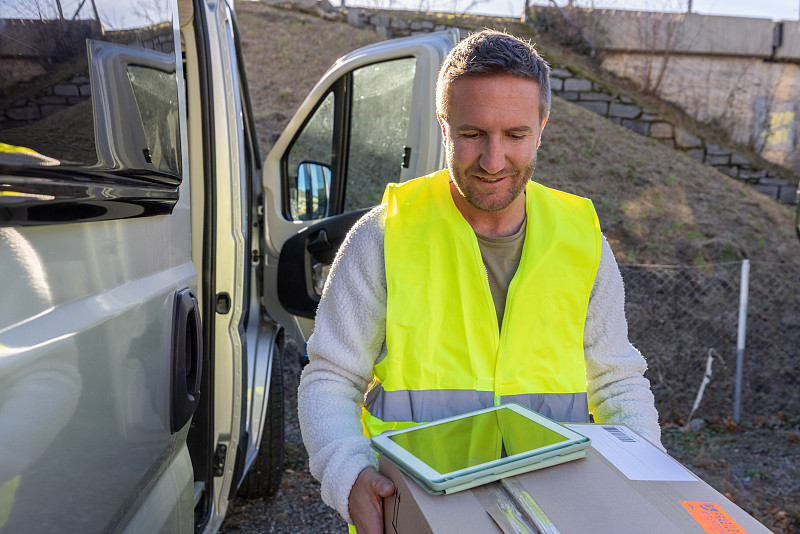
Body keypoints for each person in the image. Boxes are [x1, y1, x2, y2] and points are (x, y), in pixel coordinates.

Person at [298, 29, 662, 533]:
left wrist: (648, 480)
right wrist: (347, 473)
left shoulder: (583, 241)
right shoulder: (385, 236)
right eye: (472, 135)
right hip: (421, 514)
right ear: (444, 125)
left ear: (542, 127)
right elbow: (331, 377)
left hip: (557, 513)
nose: (493, 161)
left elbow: (615, 380)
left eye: (515, 135)